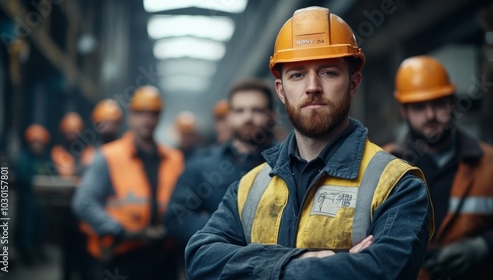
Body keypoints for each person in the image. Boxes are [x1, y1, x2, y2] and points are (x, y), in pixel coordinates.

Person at [185, 6, 434, 279]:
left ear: (353, 83)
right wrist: (301, 260)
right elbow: (200, 258)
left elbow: (385, 270)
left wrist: (255, 265)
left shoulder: (397, 185)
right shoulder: (251, 187)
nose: (312, 86)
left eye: (328, 72)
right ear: (281, 91)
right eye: (297, 74)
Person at [384, 55, 493, 280]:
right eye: (419, 107)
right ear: (403, 111)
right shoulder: (383, 166)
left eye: (438, 104)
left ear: (452, 103)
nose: (431, 115)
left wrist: (482, 246)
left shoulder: (489, 162)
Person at [72, 85, 184, 280]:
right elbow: (83, 202)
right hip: (122, 255)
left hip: (164, 255)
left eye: (153, 114)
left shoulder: (174, 159)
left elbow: (186, 202)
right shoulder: (108, 156)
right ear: (130, 116)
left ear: (159, 118)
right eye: (141, 113)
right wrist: (122, 231)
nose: (147, 120)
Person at [165, 79, 276, 247]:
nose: (248, 117)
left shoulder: (290, 163)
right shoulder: (201, 165)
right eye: (240, 111)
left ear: (272, 115)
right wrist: (227, 231)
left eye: (257, 110)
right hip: (220, 267)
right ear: (229, 117)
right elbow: (176, 218)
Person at [15, 124, 51, 264]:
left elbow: (50, 174)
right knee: (26, 227)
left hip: (41, 202)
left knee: (40, 227)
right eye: (35, 143)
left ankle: (38, 250)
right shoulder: (24, 158)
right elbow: (23, 176)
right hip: (28, 199)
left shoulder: (44, 159)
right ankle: (26, 253)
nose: (37, 146)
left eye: (40, 143)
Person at [51, 112, 92, 177]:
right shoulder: (57, 151)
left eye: (75, 133)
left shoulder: (88, 151)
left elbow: (89, 170)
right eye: (69, 133)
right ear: (63, 132)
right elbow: (66, 174)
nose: (72, 136)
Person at [83, 98, 123, 165]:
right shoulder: (91, 152)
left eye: (106, 122)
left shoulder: (126, 148)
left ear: (116, 122)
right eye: (98, 123)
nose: (102, 126)